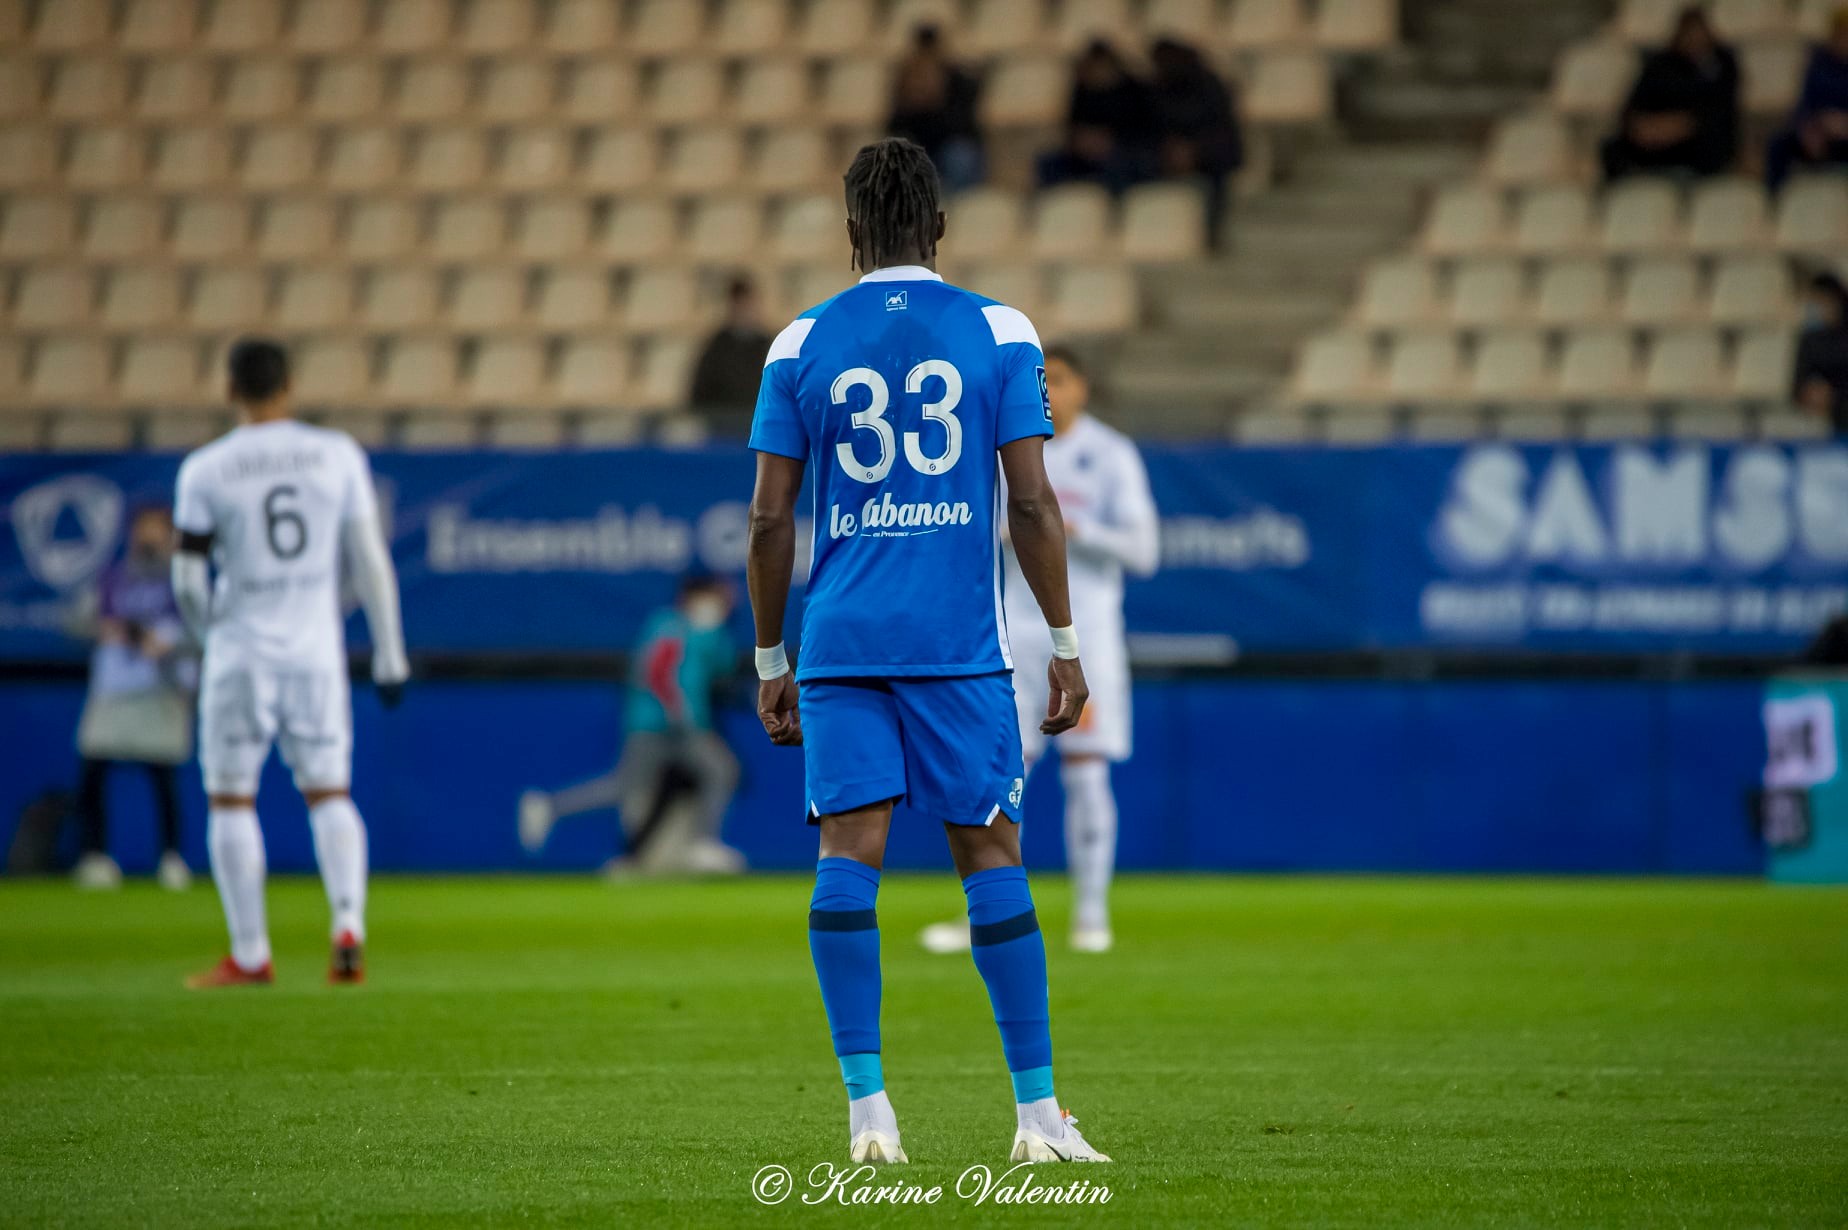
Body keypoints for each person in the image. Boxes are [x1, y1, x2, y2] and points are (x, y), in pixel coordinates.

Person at [747, 136, 1109, 1166]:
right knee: (990, 859)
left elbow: (770, 524)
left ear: (852, 232)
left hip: (843, 646)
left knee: (844, 864)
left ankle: (870, 1116)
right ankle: (1037, 1118)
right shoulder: (998, 328)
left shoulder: (798, 342)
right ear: (940, 228)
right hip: (957, 649)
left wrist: (772, 659)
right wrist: (1067, 645)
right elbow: (1032, 499)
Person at [171, 338, 408, 988]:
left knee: (230, 798)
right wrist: (390, 655)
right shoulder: (336, 455)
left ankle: (250, 953)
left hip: (241, 648)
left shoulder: (206, 469)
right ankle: (348, 924)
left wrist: (208, 633)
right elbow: (371, 562)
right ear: (290, 387)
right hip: (315, 651)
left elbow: (188, 580)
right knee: (330, 791)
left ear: (230, 391)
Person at [920, 346, 1159, 957]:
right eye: (1041, 378)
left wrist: (1077, 531)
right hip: (1010, 635)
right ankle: (987, 913)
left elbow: (1144, 552)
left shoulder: (1110, 454)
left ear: (1083, 388)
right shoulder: (1006, 452)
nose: (1050, 388)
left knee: (1086, 772)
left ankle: (1090, 916)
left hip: (1086, 638)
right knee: (998, 774)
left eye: (1061, 378)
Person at [518, 574, 745, 875]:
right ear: (695, 597)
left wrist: (712, 633)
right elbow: (664, 674)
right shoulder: (668, 626)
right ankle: (550, 807)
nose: (726, 604)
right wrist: (681, 715)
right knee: (632, 785)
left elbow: (722, 665)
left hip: (674, 723)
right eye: (718, 597)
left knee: (717, 770)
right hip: (661, 724)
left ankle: (699, 844)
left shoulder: (704, 632)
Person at [69, 505, 197, 892]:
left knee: (163, 778)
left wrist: (170, 645)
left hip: (161, 688)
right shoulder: (113, 578)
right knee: (95, 772)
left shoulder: (184, 582)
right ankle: (95, 857)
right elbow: (74, 621)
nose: (148, 537)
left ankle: (171, 858)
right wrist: (101, 627)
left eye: (156, 530)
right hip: (114, 689)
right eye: (143, 529)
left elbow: (206, 632)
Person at [1600, 6, 1740, 182]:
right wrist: (1649, 128)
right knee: (1613, 148)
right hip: (1655, 140)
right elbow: (1634, 108)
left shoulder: (1723, 63)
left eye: (1698, 33)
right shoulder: (1661, 65)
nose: (1694, 39)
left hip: (1697, 142)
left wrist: (1681, 125)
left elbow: (1718, 109)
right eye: (1688, 33)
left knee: (1711, 137)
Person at [1036, 39, 1155, 192]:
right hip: (1085, 153)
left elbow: (1144, 130)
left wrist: (1110, 142)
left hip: (1125, 151)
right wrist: (1082, 141)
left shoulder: (1134, 90)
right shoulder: (1083, 91)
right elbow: (1073, 127)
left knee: (1122, 164)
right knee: (1048, 162)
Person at [885, 24, 985, 193]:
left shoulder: (959, 80)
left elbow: (964, 126)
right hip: (919, 147)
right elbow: (893, 126)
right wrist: (912, 105)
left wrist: (935, 103)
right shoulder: (906, 80)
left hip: (949, 146)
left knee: (960, 157)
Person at [1766, 6, 1848, 190]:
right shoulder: (1818, 65)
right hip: (1821, 135)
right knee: (1779, 145)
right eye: (1842, 35)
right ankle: (1776, 202)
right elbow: (1804, 105)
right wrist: (1808, 129)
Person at [688, 275, 774, 428]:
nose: (745, 311)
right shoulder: (716, 348)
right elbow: (699, 394)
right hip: (723, 431)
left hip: (761, 430)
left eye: (748, 304)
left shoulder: (768, 346)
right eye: (740, 305)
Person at [1792, 272, 1848, 435]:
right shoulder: (1810, 340)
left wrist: (1835, 397)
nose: (1817, 308)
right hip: (1829, 423)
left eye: (1822, 301)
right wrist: (1810, 393)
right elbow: (1797, 385)